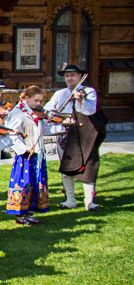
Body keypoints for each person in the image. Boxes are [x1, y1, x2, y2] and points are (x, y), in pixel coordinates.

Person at [46, 64, 108, 211]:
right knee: (67, 167)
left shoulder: (88, 92)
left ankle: (89, 202)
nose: (69, 78)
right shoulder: (60, 94)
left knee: (88, 166)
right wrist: (60, 119)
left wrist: (79, 100)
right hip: (66, 135)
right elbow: (49, 111)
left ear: (80, 76)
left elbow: (89, 110)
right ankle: (70, 200)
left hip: (85, 135)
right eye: (67, 76)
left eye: (72, 75)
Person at [5, 86, 50, 225]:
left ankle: (30, 212)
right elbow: (12, 133)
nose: (39, 104)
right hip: (25, 155)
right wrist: (24, 148)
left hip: (37, 153)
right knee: (25, 182)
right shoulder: (18, 113)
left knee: (36, 183)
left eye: (40, 101)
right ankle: (20, 215)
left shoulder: (35, 114)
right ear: (26, 98)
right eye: (36, 100)